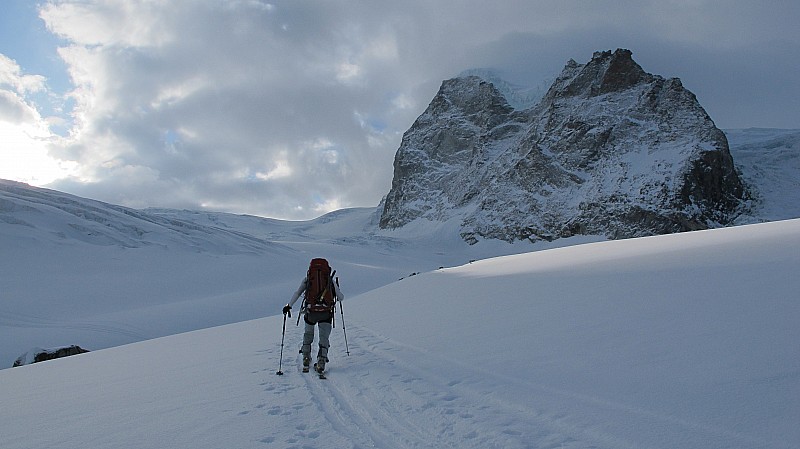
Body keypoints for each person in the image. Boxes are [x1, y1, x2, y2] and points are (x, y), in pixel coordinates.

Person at [282, 259, 344, 373]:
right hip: (326, 313)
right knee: (324, 337)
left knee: (308, 333)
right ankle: (321, 360)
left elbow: (298, 293)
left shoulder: (308, 279)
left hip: (311, 312)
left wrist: (289, 305)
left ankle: (306, 357)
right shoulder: (329, 280)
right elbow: (341, 297)